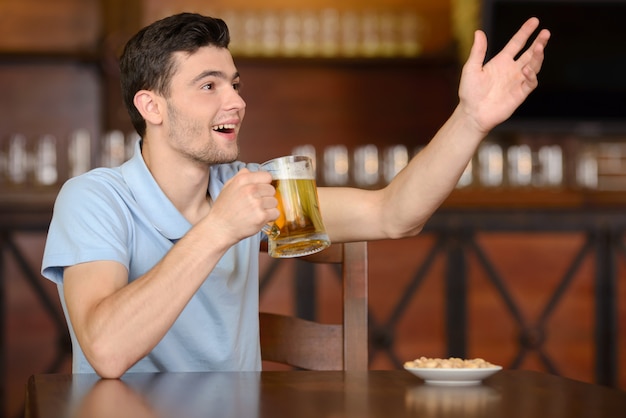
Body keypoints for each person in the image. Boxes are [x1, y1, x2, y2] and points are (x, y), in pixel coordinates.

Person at [41, 12, 550, 378]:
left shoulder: (255, 189)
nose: (236, 101)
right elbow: (106, 351)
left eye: (235, 84)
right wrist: (218, 229)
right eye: (209, 85)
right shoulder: (94, 200)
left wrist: (470, 120)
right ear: (151, 106)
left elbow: (394, 214)